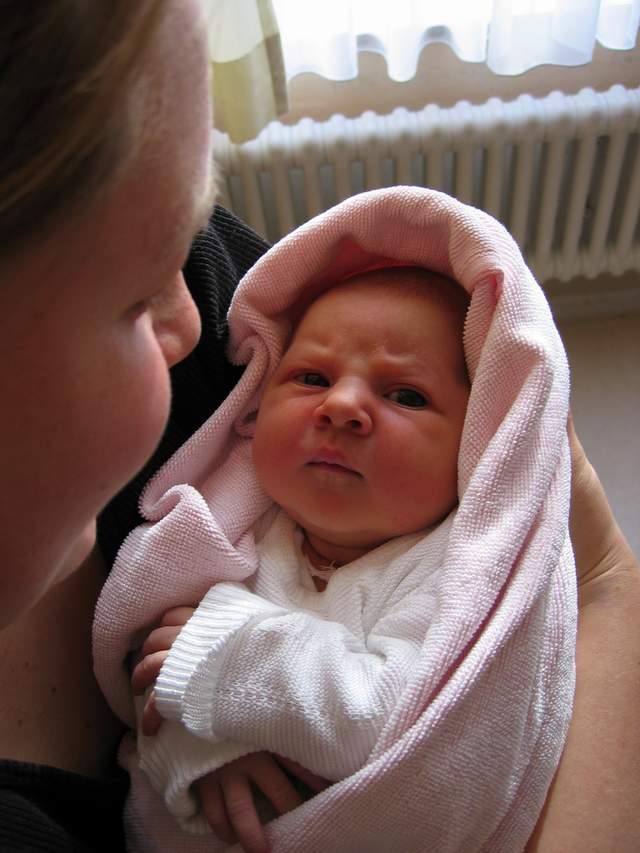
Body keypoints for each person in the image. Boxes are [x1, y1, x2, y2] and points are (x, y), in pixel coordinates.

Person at [1, 2, 638, 852]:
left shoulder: (450, 569)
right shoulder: (232, 524)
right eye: (307, 377)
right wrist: (197, 744)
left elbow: (402, 716)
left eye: (405, 396)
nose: (341, 406)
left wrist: (221, 660)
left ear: (480, 446)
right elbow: (156, 686)